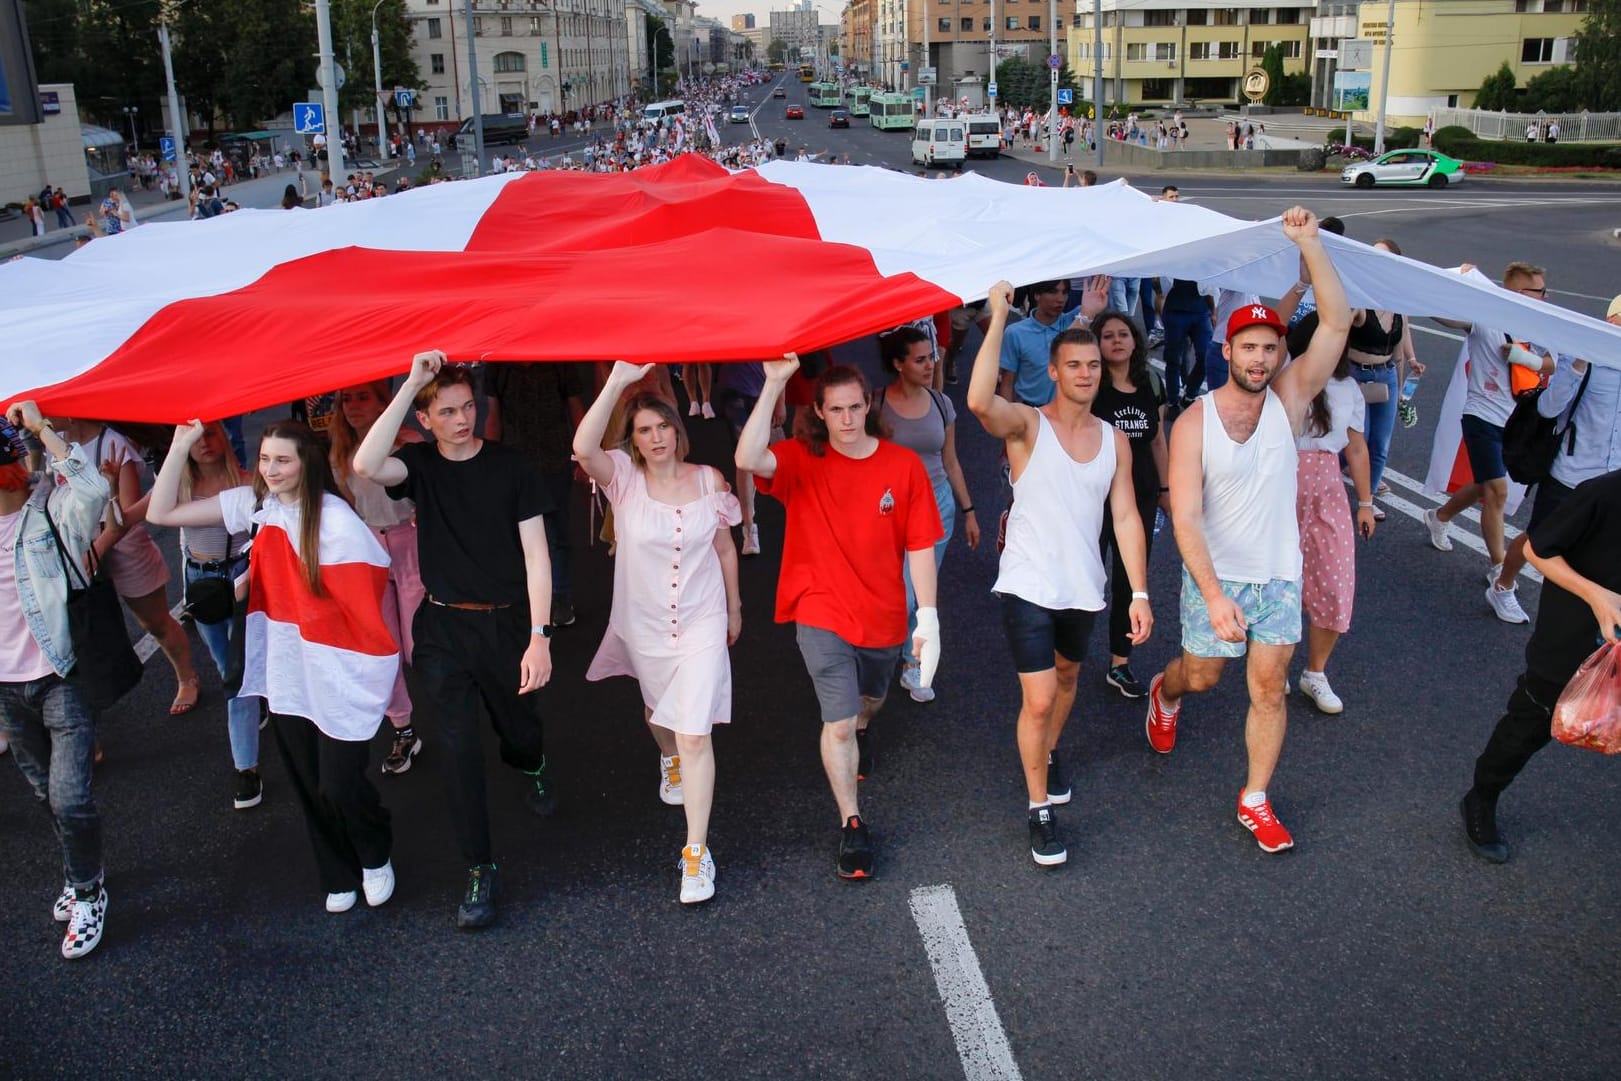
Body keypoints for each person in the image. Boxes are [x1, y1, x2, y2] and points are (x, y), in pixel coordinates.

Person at [1143, 207, 1352, 854]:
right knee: (1201, 676)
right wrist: (1210, 594)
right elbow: (1182, 515)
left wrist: (1310, 245)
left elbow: (1338, 322)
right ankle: (1163, 690)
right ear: (1225, 349)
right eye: (1248, 347)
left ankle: (1254, 797)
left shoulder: (1288, 400)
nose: (1259, 358)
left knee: (1266, 687)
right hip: (1217, 578)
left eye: (1269, 347)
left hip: (1277, 577)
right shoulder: (1192, 423)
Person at [149, 420, 399, 914]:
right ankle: (337, 871)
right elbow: (161, 511)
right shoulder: (252, 504)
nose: (271, 469)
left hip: (337, 666)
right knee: (308, 779)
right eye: (265, 459)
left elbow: (365, 592)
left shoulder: (335, 517)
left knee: (339, 781)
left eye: (283, 460)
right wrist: (179, 444)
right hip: (286, 665)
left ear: (306, 462)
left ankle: (374, 852)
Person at [352, 353, 555, 930]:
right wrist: (411, 380)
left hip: (506, 624)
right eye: (446, 411)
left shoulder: (512, 466)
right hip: (441, 629)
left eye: (468, 406)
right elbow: (368, 464)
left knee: (518, 726)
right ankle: (478, 867)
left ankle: (532, 761)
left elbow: (537, 556)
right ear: (426, 419)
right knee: (460, 748)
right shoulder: (418, 465)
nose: (462, 419)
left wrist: (539, 638)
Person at [735, 357, 943, 880]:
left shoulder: (904, 466)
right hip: (819, 606)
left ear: (868, 405)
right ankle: (852, 822)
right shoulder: (802, 460)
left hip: (883, 613)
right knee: (839, 720)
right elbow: (746, 455)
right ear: (820, 414)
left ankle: (866, 721)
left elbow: (920, 546)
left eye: (855, 407)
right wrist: (776, 381)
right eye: (836, 410)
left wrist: (930, 619)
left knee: (870, 702)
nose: (847, 419)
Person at [969, 289, 1152, 866]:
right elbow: (978, 402)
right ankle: (1038, 808)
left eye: (1093, 364)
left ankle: (1047, 752)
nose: (1085, 373)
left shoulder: (1114, 440)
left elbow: (1125, 516)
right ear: (1052, 372)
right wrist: (999, 315)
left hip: (1084, 586)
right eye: (1073, 365)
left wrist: (1140, 593)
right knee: (1041, 696)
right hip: (1027, 583)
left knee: (1069, 677)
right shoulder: (1026, 425)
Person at [574, 363, 742, 904]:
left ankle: (696, 853)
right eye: (644, 431)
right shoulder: (621, 477)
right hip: (644, 622)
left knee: (695, 733)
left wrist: (735, 609)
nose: (655, 438)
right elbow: (582, 448)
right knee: (658, 713)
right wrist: (619, 383)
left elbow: (723, 549)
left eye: (662, 427)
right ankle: (665, 755)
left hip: (702, 618)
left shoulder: (709, 480)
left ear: (677, 430)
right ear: (634, 440)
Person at [1460, 467, 1621, 862]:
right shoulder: (1604, 492)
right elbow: (1536, 549)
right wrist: (1598, 598)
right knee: (1531, 723)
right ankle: (1482, 798)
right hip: (1575, 637)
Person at [0, 401, 113, 959]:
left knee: (70, 798)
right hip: (6, 691)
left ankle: (88, 891)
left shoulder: (49, 512)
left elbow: (94, 490)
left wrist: (43, 428)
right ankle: (79, 870)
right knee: (46, 795)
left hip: (60, 675)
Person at [1424, 262, 1558, 624]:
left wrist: (1528, 358)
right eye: (1539, 291)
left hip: (1516, 421)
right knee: (1497, 492)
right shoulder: (1485, 318)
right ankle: (1500, 574)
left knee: (1486, 486)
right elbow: (1442, 315)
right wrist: (1457, 280)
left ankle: (1439, 515)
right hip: (1481, 415)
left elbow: (1553, 362)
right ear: (1517, 292)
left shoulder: (1539, 323)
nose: (1546, 296)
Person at [50, 417, 200, 716]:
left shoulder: (111, 443)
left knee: (154, 623)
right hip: (82, 549)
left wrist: (98, 546)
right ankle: (81, 715)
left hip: (122, 547)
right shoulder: (54, 444)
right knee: (83, 630)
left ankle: (187, 676)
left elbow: (127, 516)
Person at [1486, 293, 1621, 604]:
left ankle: (1587, 609)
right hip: (1571, 475)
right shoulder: (1585, 358)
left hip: (1612, 479)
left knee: (1599, 550)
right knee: (1539, 539)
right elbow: (1549, 409)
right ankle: (1503, 584)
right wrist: (1576, 363)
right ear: (1610, 322)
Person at [330, 382, 427, 775]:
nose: (353, 406)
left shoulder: (407, 442)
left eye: (363, 397)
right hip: (368, 551)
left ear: (383, 404)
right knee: (381, 645)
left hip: (410, 544)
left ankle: (458, 707)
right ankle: (402, 728)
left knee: (417, 645)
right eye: (347, 399)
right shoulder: (340, 451)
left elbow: (428, 493)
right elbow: (348, 508)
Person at [878, 327, 978, 703]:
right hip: (889, 507)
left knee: (921, 591)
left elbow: (950, 460)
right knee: (897, 593)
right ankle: (878, 653)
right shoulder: (876, 404)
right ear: (898, 364)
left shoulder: (941, 403)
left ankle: (911, 661)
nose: (929, 365)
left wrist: (968, 510)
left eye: (931, 357)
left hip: (937, 505)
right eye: (920, 359)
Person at [172, 420, 264, 808]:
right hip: (202, 585)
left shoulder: (246, 482)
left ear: (224, 439)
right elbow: (135, 515)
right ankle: (256, 700)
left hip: (241, 580)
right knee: (227, 662)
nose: (204, 444)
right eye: (195, 439)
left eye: (211, 434)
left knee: (234, 677)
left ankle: (246, 769)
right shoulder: (178, 488)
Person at [1287, 321, 1377, 714]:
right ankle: (1273, 665)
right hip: (1283, 485)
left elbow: (1355, 449)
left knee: (1336, 578)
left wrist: (1366, 502)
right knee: (1280, 580)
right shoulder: (1288, 373)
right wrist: (1301, 286)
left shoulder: (1349, 388)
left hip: (1328, 487)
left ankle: (1315, 673)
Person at [1088, 311, 1168, 699]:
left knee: (1129, 580)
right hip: (1094, 495)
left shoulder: (1151, 382)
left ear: (1136, 341)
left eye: (1124, 334)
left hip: (1140, 496)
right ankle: (1063, 653)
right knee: (1086, 572)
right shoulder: (1090, 384)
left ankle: (1119, 663)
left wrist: (1166, 488)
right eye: (1107, 336)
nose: (1116, 341)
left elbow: (1157, 440)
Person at [484, 362, 589, 626]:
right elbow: (493, 415)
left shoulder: (558, 361)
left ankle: (560, 597)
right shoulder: (499, 366)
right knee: (518, 535)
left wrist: (585, 456)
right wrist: (487, 462)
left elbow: (575, 407)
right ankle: (526, 598)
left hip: (554, 460)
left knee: (557, 532)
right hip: (514, 464)